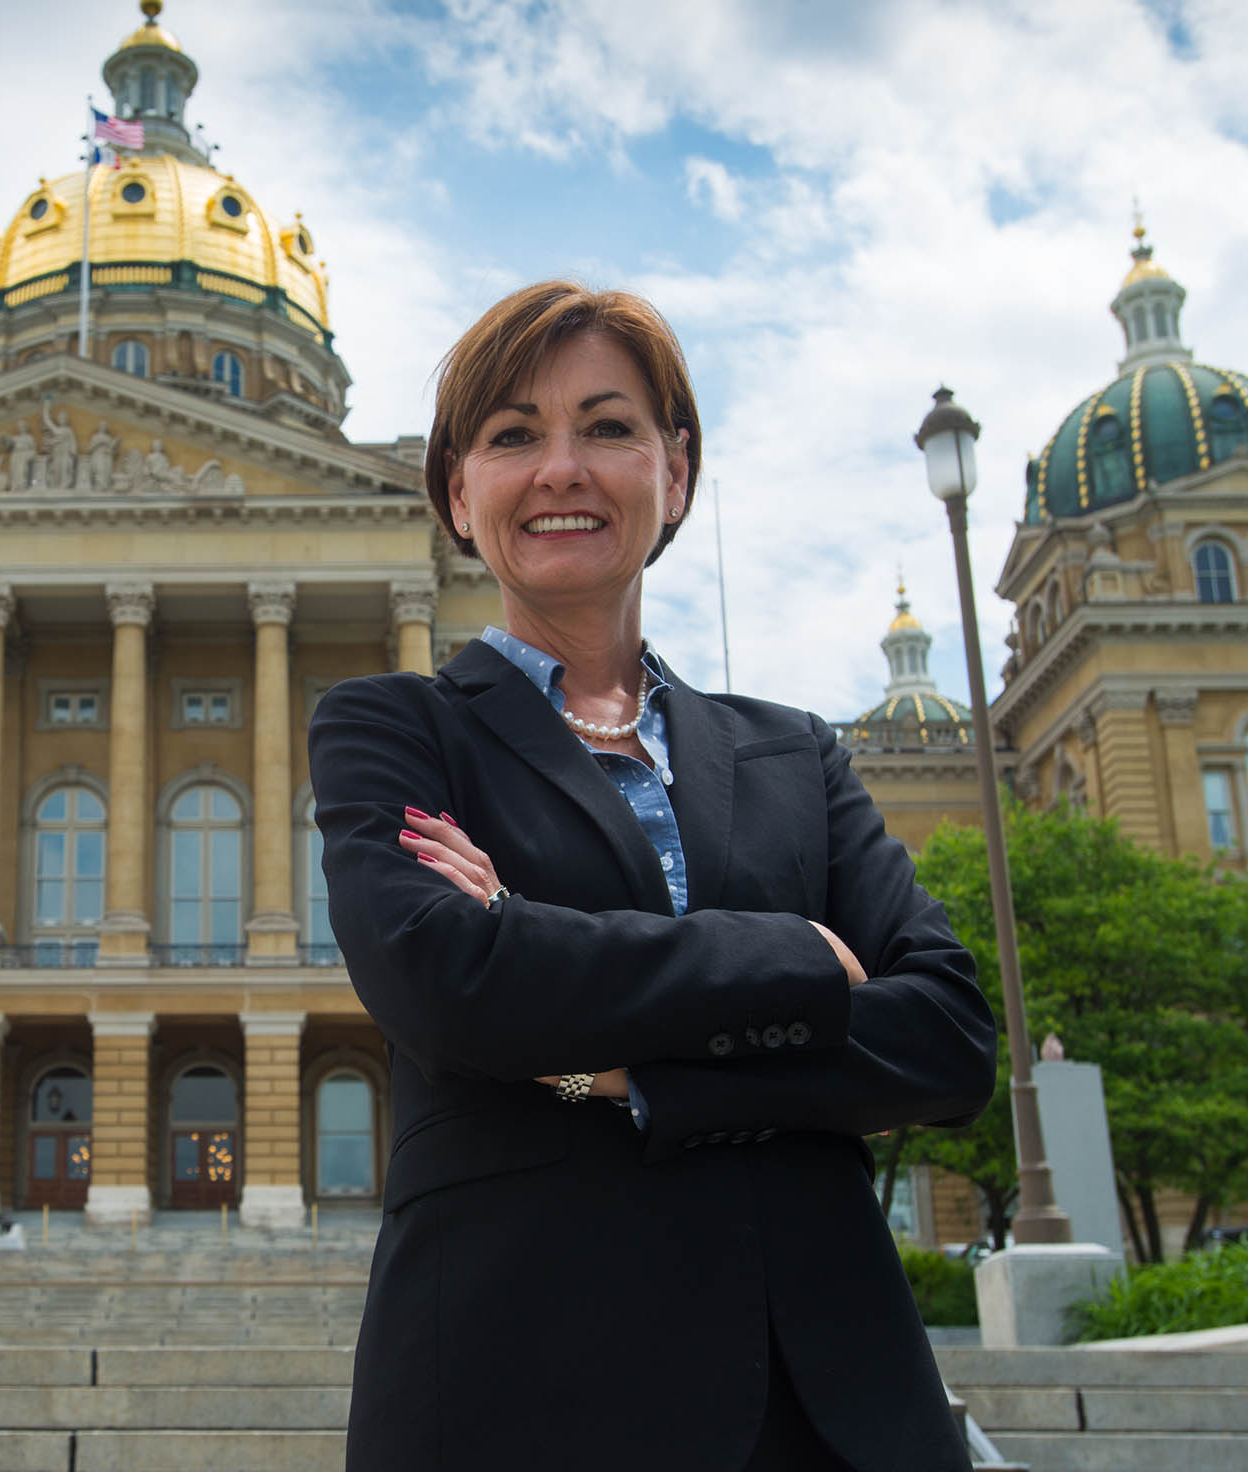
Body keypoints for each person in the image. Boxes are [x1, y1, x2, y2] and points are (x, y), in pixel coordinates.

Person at [308, 281, 997, 1471]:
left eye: (610, 426)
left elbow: (948, 1032)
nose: (562, 466)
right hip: (519, 1392)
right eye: (515, 433)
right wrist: (794, 960)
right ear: (456, 492)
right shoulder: (393, 726)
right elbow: (441, 977)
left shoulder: (793, 750)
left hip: (836, 1402)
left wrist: (608, 1045)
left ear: (674, 473)